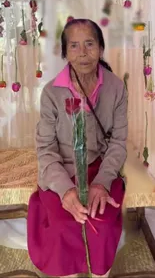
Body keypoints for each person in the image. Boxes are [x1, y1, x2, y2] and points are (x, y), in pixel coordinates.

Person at [27, 18, 128, 277]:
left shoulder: (116, 87)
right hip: (62, 169)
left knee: (101, 222)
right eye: (74, 46)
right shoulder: (51, 93)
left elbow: (118, 142)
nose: (83, 53)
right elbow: (46, 149)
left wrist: (103, 182)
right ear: (65, 53)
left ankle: (99, 274)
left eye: (89, 44)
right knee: (63, 223)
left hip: (99, 168)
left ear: (101, 48)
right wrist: (65, 190)